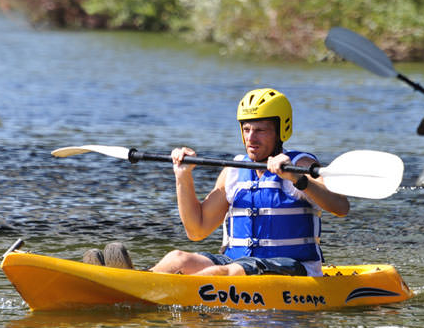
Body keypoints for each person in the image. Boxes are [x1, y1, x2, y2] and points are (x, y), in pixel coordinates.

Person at [82, 88, 350, 277]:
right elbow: (197, 230)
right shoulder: (234, 170)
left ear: (282, 130)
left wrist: (298, 180)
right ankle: (135, 281)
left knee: (224, 272)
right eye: (246, 129)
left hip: (295, 268)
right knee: (178, 258)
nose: (251, 138)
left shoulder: (301, 165)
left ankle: (147, 290)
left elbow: (340, 207)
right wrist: (183, 176)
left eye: (261, 130)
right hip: (240, 262)